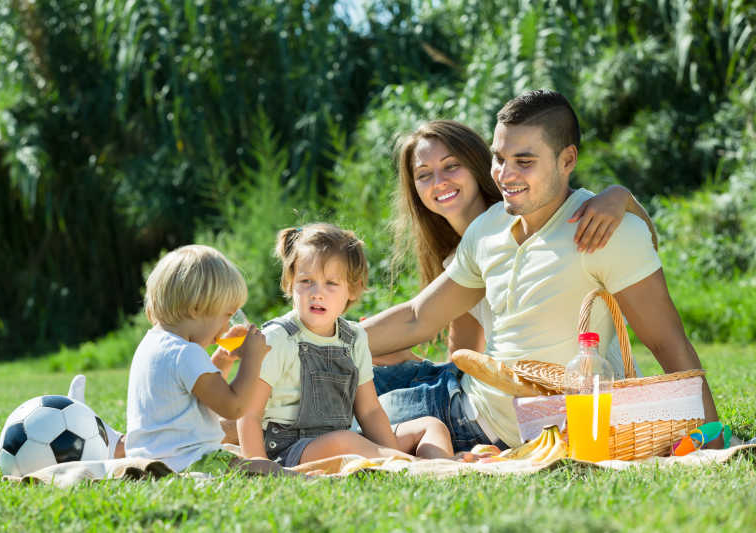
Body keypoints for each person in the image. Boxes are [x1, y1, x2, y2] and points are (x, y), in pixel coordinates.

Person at [363, 89, 719, 451]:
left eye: (524, 161)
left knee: (344, 422)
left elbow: (667, 341)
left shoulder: (604, 230)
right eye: (499, 158)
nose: (505, 175)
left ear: (567, 160)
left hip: (491, 426)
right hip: (462, 395)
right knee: (343, 379)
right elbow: (418, 317)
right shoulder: (486, 229)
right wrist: (331, 335)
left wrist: (712, 435)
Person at [237, 223, 455, 467]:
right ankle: (418, 465)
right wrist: (258, 463)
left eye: (331, 283)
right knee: (345, 441)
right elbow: (249, 413)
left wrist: (389, 450)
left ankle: (440, 468)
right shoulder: (277, 339)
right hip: (288, 450)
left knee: (431, 426)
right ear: (290, 283)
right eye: (306, 281)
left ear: (353, 289)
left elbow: (369, 410)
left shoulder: (354, 338)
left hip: (342, 442)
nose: (317, 293)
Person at [122, 244, 296, 475]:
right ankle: (317, 478)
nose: (227, 325)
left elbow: (203, 392)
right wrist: (252, 359)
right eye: (227, 315)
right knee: (264, 467)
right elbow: (234, 407)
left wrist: (223, 358)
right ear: (196, 308)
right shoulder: (186, 352)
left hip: (151, 460)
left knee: (238, 456)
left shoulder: (152, 345)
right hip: (190, 460)